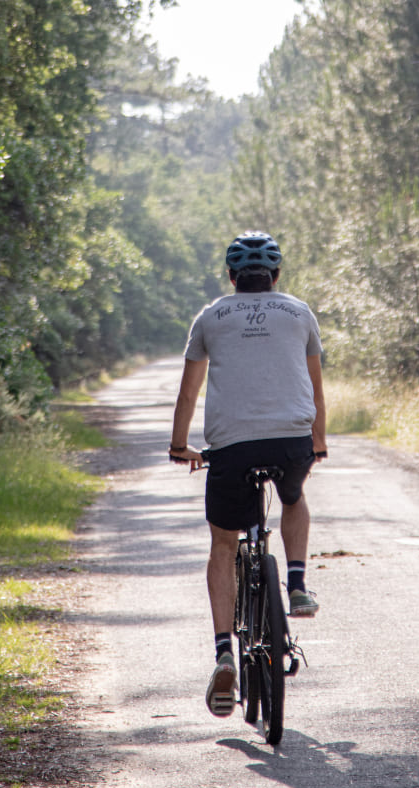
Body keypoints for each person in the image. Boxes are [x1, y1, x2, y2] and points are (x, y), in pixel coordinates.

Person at [169, 231, 328, 717]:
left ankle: (223, 654)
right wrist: (317, 442)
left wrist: (180, 446)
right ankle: (296, 584)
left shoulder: (210, 316)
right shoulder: (299, 312)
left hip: (231, 447)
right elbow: (315, 387)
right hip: (291, 439)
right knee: (294, 496)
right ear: (277, 276)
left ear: (231, 277)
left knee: (223, 543)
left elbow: (189, 393)